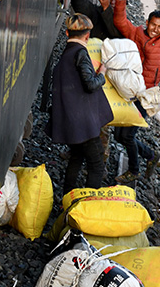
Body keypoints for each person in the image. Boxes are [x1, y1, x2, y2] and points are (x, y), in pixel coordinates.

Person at [111, 0, 160, 181]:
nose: (156, 29)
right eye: (153, 25)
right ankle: (151, 155)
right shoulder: (136, 33)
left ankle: (134, 171)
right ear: (147, 23)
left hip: (146, 95)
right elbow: (120, 21)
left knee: (127, 136)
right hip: (128, 92)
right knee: (118, 135)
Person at [45, 14, 114, 193]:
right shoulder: (81, 53)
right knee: (97, 164)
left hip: (71, 121)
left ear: (67, 33)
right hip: (83, 123)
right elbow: (90, 84)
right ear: (87, 36)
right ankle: (88, 205)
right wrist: (102, 73)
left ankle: (67, 198)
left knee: (76, 157)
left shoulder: (66, 54)